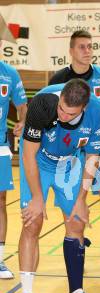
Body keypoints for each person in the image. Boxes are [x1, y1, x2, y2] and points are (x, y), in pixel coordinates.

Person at [14, 79, 100, 293]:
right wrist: (36, 198)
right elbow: (29, 154)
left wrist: (81, 200)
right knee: (32, 223)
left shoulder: (96, 113)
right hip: (39, 161)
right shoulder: (43, 104)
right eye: (61, 109)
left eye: (71, 113)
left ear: (84, 108)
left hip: (70, 164)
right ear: (61, 97)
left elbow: (93, 156)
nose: (63, 115)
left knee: (76, 223)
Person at [49, 30, 100, 272]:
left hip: (98, 149)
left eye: (90, 47)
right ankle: (77, 251)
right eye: (82, 47)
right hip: (70, 155)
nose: (87, 51)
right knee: (76, 201)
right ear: (71, 51)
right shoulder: (58, 78)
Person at [0, 53, 27, 279]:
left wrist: (23, 121)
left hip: (0, 145)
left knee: (0, 200)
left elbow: (22, 105)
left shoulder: (9, 73)